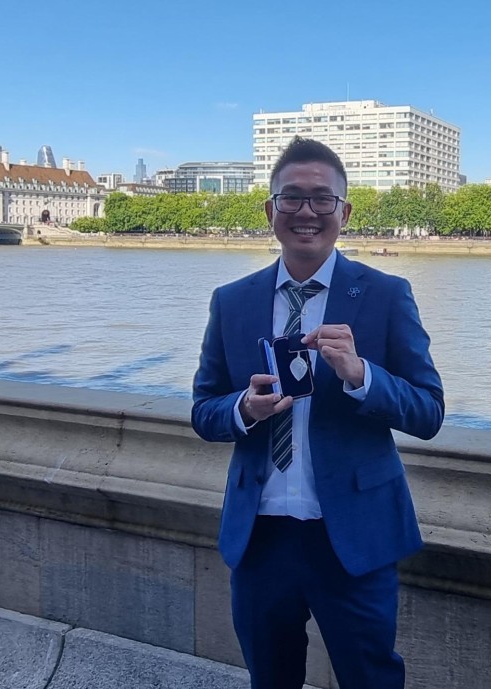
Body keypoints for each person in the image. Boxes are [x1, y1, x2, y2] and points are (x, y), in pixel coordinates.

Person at [191, 137, 445, 689]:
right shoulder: (231, 301)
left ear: (344, 212)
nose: (306, 212)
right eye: (292, 198)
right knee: (270, 679)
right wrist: (244, 408)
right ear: (270, 210)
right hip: (261, 540)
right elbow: (203, 408)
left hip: (352, 537)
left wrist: (361, 376)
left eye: (322, 199)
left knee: (371, 680)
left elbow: (429, 411)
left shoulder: (385, 294)